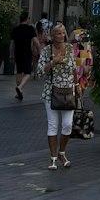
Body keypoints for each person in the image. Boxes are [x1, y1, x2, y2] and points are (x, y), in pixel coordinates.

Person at [40, 23, 76, 169]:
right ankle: (53, 157)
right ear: (52, 36)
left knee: (67, 124)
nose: (62, 36)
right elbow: (40, 71)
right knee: (53, 125)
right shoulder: (47, 51)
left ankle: (62, 152)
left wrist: (77, 85)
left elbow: (73, 68)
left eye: (63, 33)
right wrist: (53, 62)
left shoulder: (69, 49)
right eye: (58, 33)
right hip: (51, 92)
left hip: (68, 91)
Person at [10, 10, 36, 102]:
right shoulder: (30, 29)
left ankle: (18, 91)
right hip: (26, 52)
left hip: (18, 52)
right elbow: (36, 41)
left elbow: (12, 43)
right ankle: (20, 87)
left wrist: (11, 54)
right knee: (28, 72)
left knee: (19, 72)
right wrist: (39, 50)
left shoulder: (15, 29)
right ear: (27, 19)